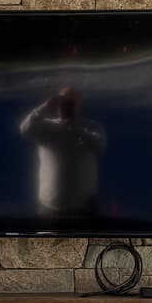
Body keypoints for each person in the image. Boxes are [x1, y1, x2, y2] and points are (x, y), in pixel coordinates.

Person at [19, 87, 106, 224]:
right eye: (63, 102)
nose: (66, 107)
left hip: (83, 208)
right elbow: (25, 128)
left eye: (71, 103)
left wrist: (75, 127)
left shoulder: (91, 127)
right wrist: (43, 108)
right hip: (49, 208)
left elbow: (99, 144)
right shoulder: (46, 127)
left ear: (79, 105)